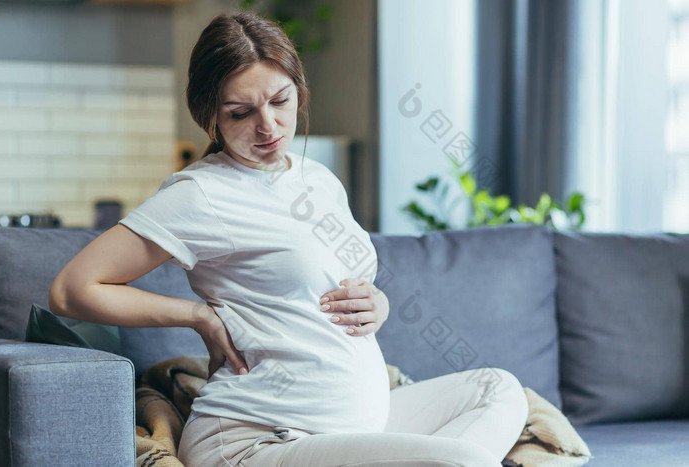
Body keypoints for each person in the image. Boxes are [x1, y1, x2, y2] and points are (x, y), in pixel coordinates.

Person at [48, 11, 528, 467]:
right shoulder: (202, 194)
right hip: (256, 440)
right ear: (209, 116)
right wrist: (197, 315)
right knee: (465, 460)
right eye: (240, 112)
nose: (268, 125)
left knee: (497, 389)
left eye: (280, 101)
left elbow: (328, 280)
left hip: (353, 427)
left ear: (298, 89)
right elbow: (72, 289)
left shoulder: (317, 178)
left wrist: (376, 302)